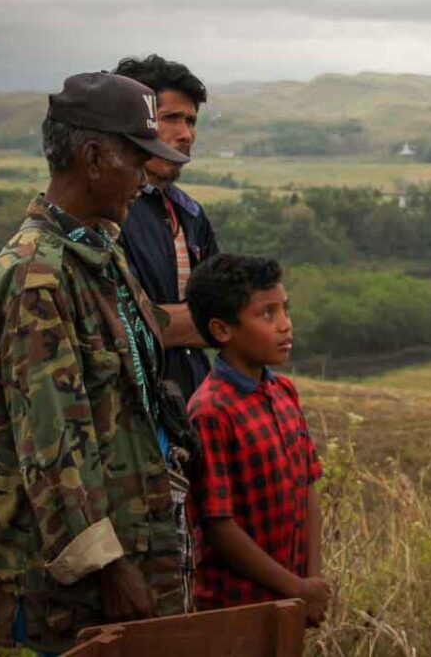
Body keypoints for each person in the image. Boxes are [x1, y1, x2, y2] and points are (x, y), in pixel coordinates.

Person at [0, 72, 195, 655]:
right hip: (79, 585)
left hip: (137, 542)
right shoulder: (37, 275)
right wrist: (107, 566)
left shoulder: (99, 250)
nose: (144, 175)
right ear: (95, 158)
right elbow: (52, 441)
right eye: (136, 159)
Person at [183, 253, 330, 626]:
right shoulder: (211, 412)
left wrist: (311, 583)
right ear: (222, 330)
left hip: (291, 605)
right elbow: (218, 526)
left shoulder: (284, 393)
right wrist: (295, 587)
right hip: (237, 611)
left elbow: (308, 487)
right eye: (267, 314)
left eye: (285, 310)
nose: (285, 325)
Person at [113, 54, 220, 402]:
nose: (185, 134)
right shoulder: (109, 214)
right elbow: (118, 326)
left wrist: (174, 322)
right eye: (171, 118)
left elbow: (225, 314)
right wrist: (205, 321)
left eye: (191, 121)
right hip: (130, 408)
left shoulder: (189, 213)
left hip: (190, 404)